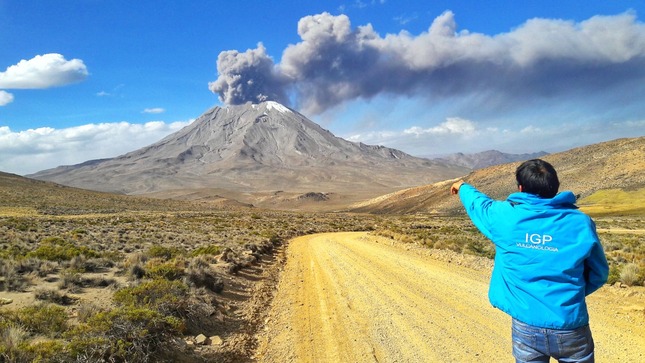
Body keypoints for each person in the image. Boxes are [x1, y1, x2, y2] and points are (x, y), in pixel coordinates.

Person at [450, 159, 608, 363]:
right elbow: (599, 273)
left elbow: (479, 204)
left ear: (521, 188)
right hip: (570, 324)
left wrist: (462, 186)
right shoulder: (580, 222)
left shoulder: (504, 217)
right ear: (555, 187)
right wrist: (571, 293)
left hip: (526, 325)